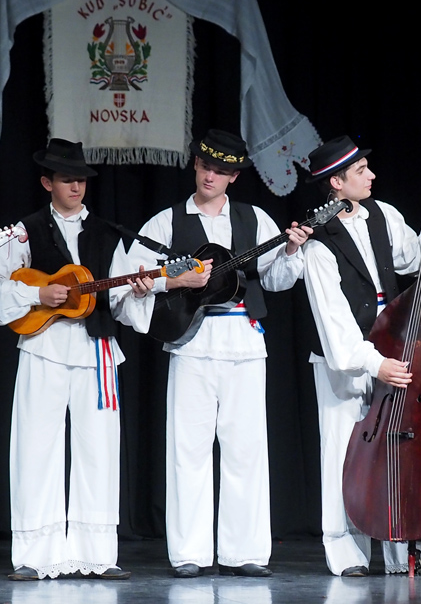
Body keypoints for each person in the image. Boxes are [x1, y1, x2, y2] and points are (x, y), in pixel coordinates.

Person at [112, 128, 310, 578]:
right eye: (205, 167)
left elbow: (277, 280)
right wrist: (160, 284)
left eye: (221, 171)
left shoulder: (255, 218)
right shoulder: (165, 222)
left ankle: (245, 552)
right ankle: (190, 553)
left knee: (246, 449)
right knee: (189, 449)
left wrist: (291, 250)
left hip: (244, 341)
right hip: (192, 345)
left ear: (234, 177)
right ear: (195, 165)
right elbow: (129, 280)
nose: (210, 176)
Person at [300, 135, 421, 577]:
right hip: (346, 360)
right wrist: (375, 363)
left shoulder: (382, 214)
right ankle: (347, 552)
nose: (371, 175)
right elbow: (334, 323)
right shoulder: (318, 244)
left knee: (405, 444)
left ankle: (411, 548)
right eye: (360, 171)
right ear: (336, 182)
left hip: (393, 341)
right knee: (345, 450)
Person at [0, 138, 132, 581]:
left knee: (99, 448)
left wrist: (139, 291)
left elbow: (122, 300)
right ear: (48, 183)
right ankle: (35, 554)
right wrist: (36, 294)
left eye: (81, 180)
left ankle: (97, 553)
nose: (76, 187)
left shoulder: (108, 233)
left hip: (94, 349)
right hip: (43, 346)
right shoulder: (24, 232)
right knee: (35, 446)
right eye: (67, 179)